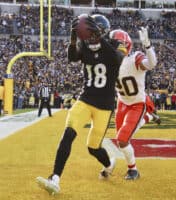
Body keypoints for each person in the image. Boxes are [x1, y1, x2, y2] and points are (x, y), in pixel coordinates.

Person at [36, 14, 124, 195]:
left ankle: (108, 164)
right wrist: (73, 39)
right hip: (85, 99)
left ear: (102, 32)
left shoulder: (114, 44)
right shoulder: (83, 45)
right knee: (69, 132)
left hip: (105, 106)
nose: (90, 37)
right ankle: (55, 178)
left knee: (93, 147)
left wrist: (100, 39)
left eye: (93, 33)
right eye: (89, 33)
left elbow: (117, 60)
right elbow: (72, 57)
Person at [110, 28, 157, 180]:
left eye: (116, 44)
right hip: (122, 103)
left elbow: (151, 64)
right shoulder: (108, 63)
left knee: (123, 140)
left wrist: (148, 45)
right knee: (121, 140)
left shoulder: (134, 58)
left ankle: (133, 170)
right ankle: (148, 118)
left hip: (136, 104)